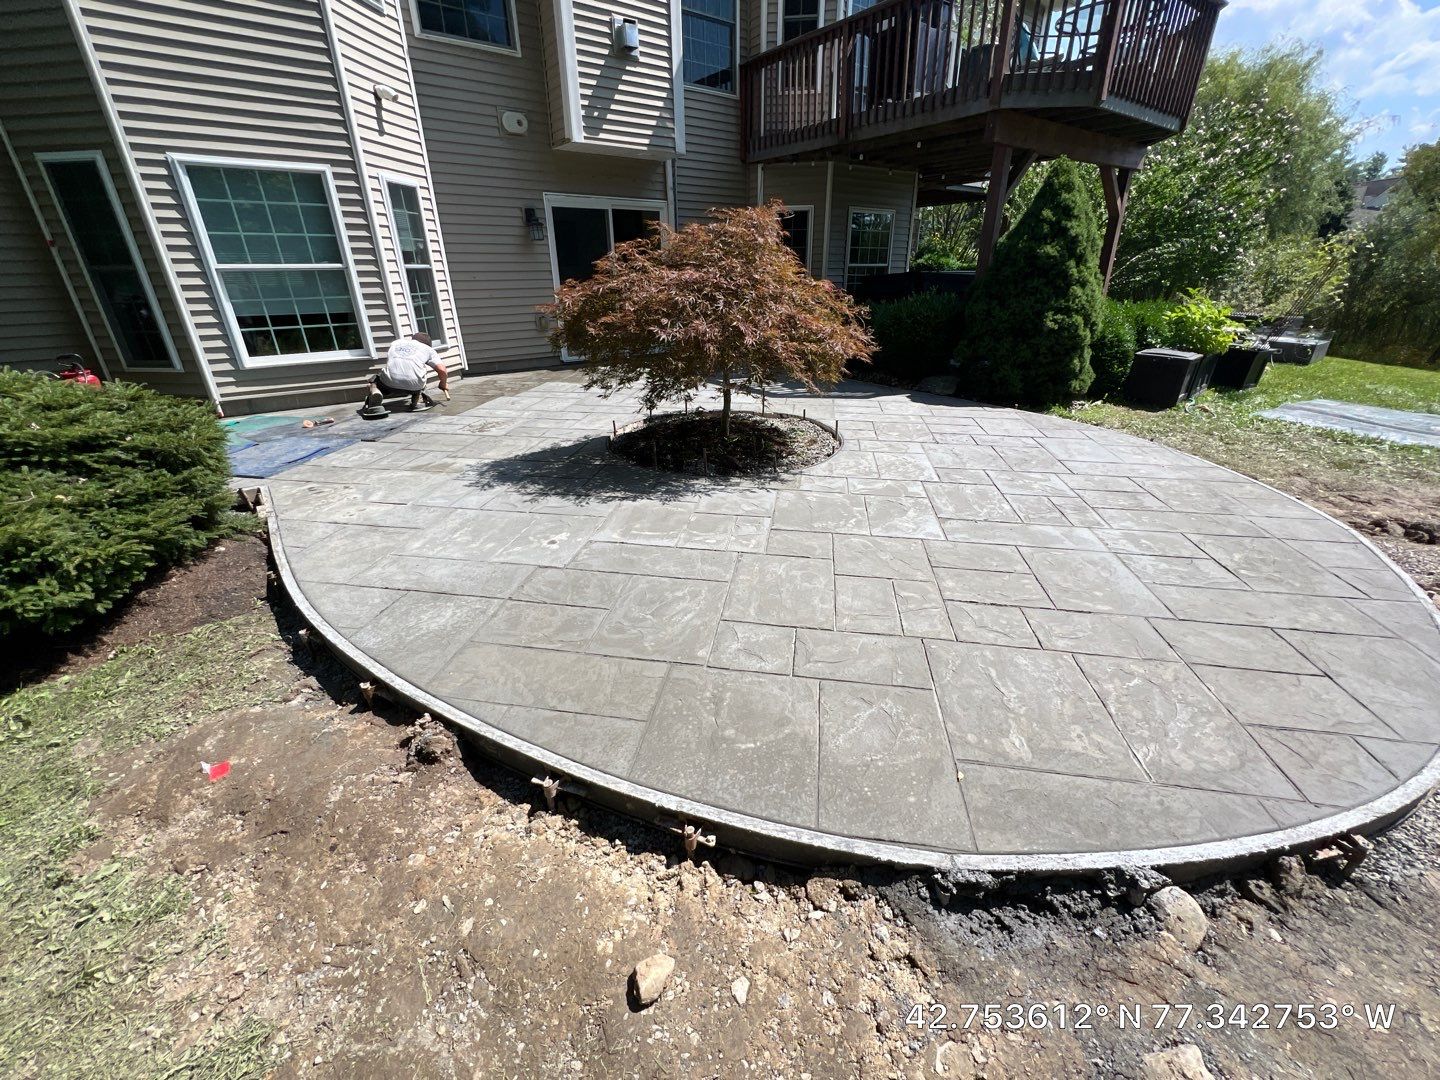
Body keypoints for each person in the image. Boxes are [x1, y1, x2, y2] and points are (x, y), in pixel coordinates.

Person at [365, 332, 449, 412]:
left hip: (389, 382)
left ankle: (375, 396)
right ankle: (416, 402)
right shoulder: (428, 349)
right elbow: (442, 370)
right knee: (420, 373)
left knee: (374, 381)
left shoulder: (396, 343)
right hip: (414, 386)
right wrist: (443, 383)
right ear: (428, 344)